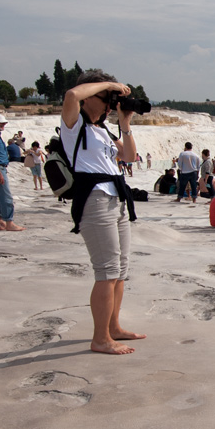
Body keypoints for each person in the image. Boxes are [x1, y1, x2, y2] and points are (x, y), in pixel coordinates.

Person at [61, 70, 145, 356]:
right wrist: (110, 85)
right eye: (107, 99)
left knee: (120, 271)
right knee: (106, 272)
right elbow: (72, 95)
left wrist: (125, 124)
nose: (110, 104)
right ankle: (100, 339)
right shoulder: (74, 125)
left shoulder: (103, 130)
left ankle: (113, 328)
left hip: (117, 198)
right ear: (90, 96)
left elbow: (129, 157)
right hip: (95, 199)